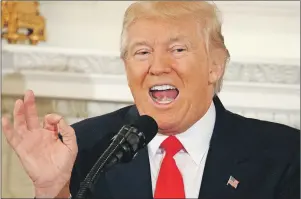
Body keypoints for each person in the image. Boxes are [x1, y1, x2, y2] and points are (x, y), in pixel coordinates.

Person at [2, 1, 300, 199]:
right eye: (142, 52)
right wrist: (53, 191)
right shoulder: (85, 148)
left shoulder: (285, 154)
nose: (157, 67)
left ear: (215, 66)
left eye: (178, 49)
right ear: (126, 67)